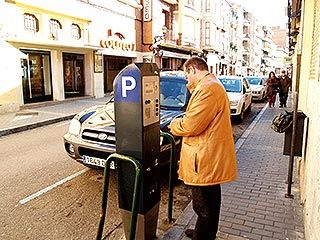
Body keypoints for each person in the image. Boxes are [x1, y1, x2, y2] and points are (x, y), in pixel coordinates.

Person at [168, 57, 237, 240]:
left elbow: (191, 125)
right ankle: (203, 232)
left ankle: (203, 236)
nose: (186, 79)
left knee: (203, 206)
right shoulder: (209, 85)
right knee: (210, 202)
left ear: (192, 70)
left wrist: (174, 125)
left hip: (204, 158)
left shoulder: (207, 89)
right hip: (209, 156)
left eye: (186, 75)